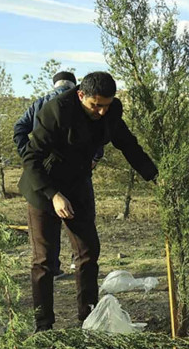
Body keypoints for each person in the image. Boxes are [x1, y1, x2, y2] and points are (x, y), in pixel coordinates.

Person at [19, 71, 158, 332]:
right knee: (45, 261)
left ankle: (89, 320)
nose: (102, 111)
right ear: (81, 95)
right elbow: (31, 158)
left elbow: (128, 144)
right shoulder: (56, 111)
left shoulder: (112, 110)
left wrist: (154, 175)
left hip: (77, 184)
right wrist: (53, 195)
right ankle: (43, 327)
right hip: (43, 187)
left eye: (106, 105)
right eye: (96, 105)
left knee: (88, 253)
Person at [14, 71, 105, 280]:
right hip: (76, 176)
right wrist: (95, 158)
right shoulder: (83, 105)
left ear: (55, 84)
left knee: (44, 241)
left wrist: (27, 154)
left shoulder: (40, 103)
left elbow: (19, 128)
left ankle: (53, 268)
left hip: (42, 176)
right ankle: (78, 265)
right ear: (76, 86)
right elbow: (99, 135)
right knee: (84, 242)